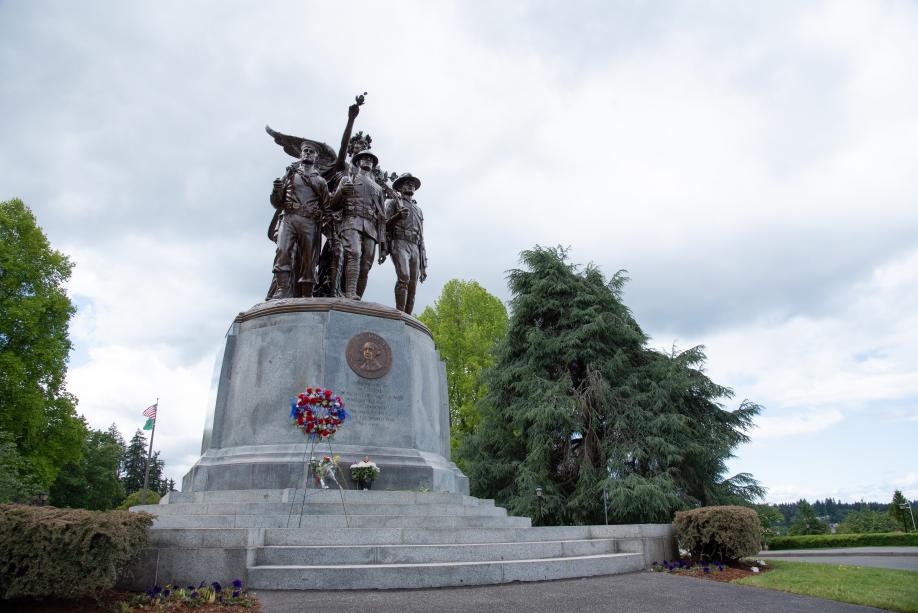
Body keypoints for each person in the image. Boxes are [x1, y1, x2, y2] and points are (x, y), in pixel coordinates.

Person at [269, 142, 330, 298]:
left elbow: (326, 205)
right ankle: (282, 289)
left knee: (309, 259)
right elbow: (277, 203)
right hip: (289, 217)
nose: (308, 153)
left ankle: (307, 294)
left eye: (311, 152)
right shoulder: (290, 174)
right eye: (305, 151)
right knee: (282, 251)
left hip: (309, 222)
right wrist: (276, 190)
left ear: (316, 157)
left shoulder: (320, 181)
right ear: (300, 154)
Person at [332, 149, 387, 300]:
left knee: (366, 265)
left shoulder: (378, 188)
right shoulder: (347, 179)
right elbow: (333, 205)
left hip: (370, 227)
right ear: (357, 162)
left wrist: (383, 245)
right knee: (354, 254)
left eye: (371, 159)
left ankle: (357, 299)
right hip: (351, 222)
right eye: (364, 158)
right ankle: (349, 292)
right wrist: (342, 192)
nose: (368, 160)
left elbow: (382, 218)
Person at [385, 173, 427, 313]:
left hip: (415, 246)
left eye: (412, 183)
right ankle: (400, 313)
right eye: (407, 183)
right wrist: (398, 216)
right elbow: (383, 226)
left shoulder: (418, 210)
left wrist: (423, 265)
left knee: (413, 285)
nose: (411, 185)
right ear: (400, 187)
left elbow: (421, 237)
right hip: (399, 242)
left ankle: (407, 317)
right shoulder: (393, 203)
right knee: (404, 277)